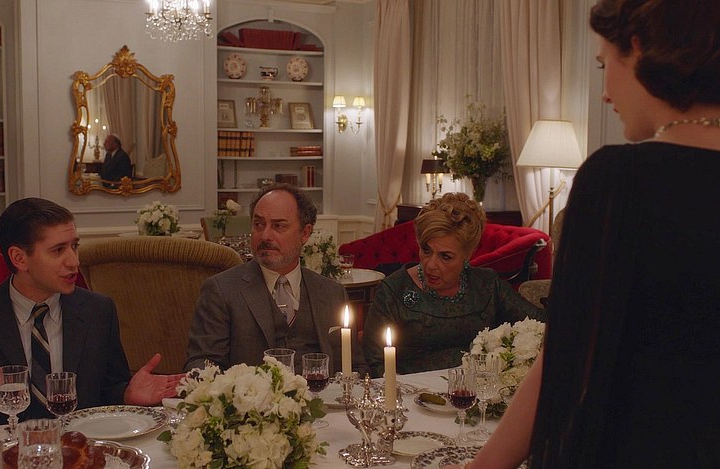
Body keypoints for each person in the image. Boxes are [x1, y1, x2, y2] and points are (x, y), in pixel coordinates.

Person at [444, 1, 720, 467]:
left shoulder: (620, 180)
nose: (605, 93)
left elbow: (568, 355)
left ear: (637, 49)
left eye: (603, 64)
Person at [0, 198, 184, 434]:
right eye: (58, 250)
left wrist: (126, 393)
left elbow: (107, 390)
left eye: (74, 246)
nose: (74, 262)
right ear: (19, 258)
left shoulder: (97, 311)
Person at [184, 183, 368, 376]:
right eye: (258, 225)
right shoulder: (221, 290)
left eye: (278, 226)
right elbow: (200, 363)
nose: (265, 235)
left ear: (305, 233)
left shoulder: (332, 293)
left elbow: (355, 368)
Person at [361, 193, 544, 377]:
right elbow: (375, 362)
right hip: (410, 391)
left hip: (475, 389)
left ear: (467, 256)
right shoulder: (394, 289)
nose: (431, 265)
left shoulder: (486, 285)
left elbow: (540, 323)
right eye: (426, 250)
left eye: (445, 257)